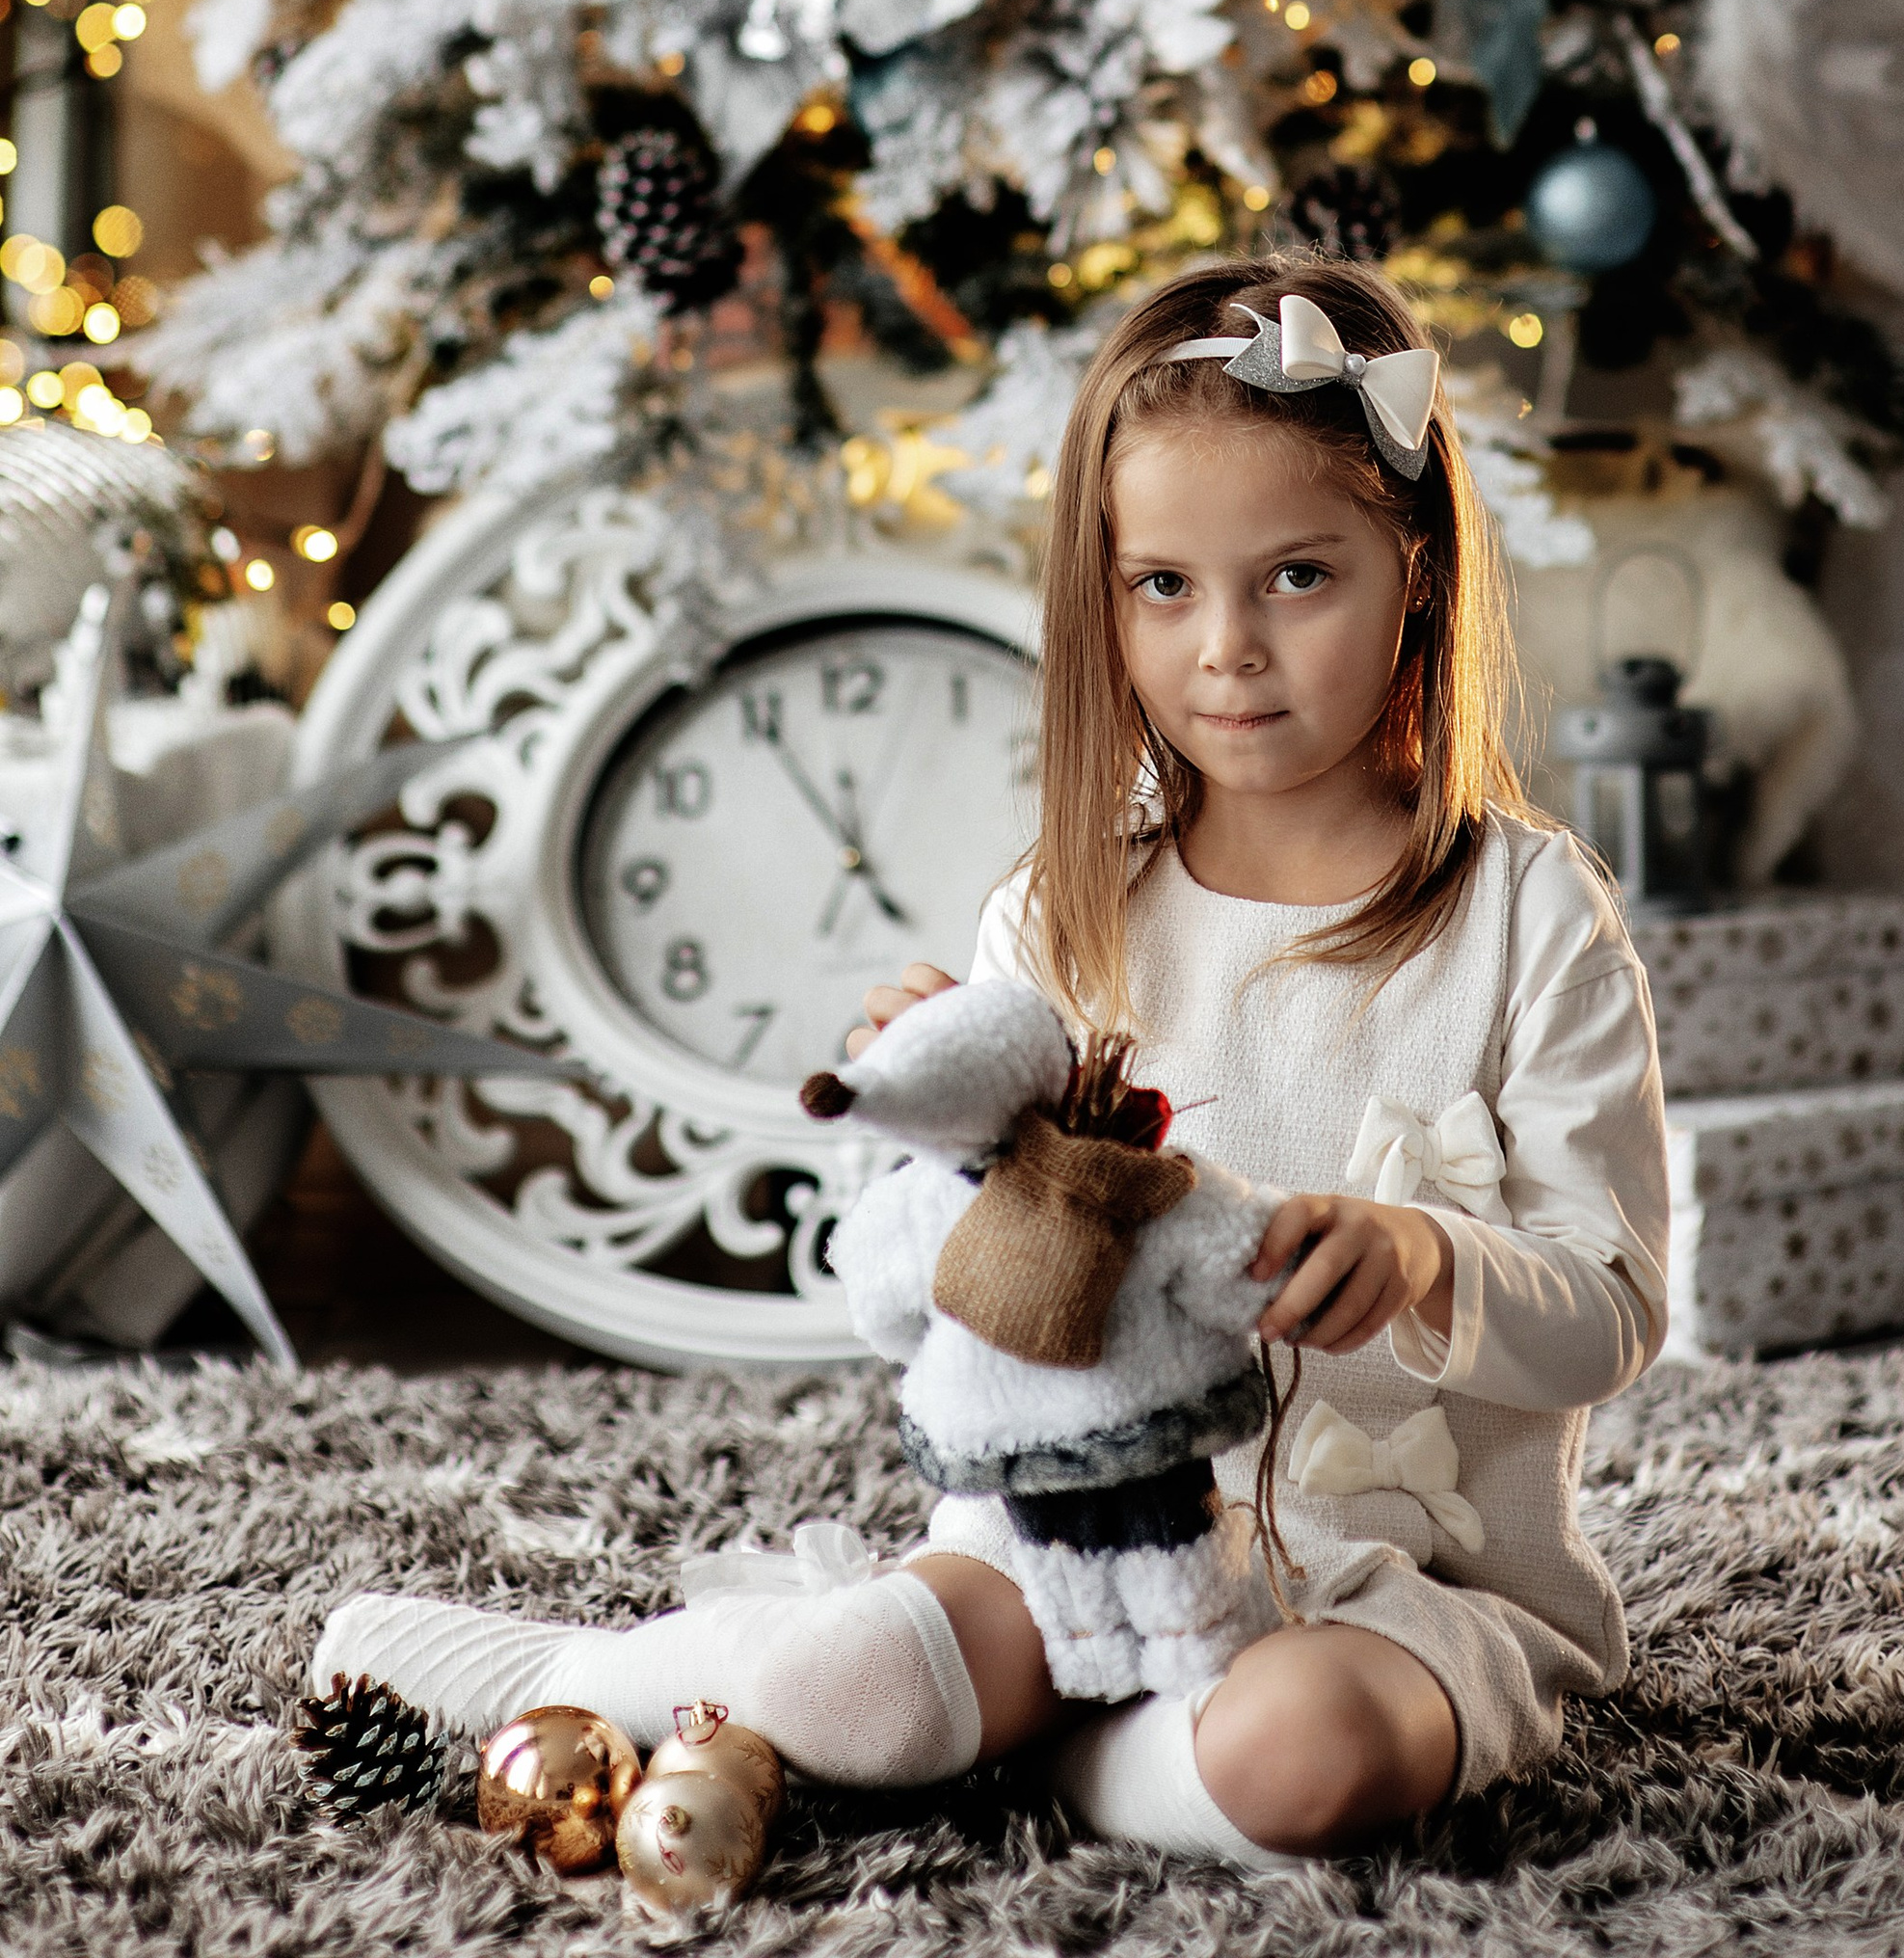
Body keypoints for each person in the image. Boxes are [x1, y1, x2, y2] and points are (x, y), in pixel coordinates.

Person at [315, 255, 1669, 1866]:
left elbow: (1614, 1310)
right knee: (861, 1675)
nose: (1226, 648)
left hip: (1413, 1585)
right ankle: (579, 1676)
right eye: (1163, 586)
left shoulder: (1527, 916)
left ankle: (1081, 1771)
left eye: (1298, 578)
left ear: (1417, 573)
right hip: (1082, 1528)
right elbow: (950, 1305)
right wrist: (938, 1124)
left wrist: (1429, 1253)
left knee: (1306, 1757)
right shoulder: (1069, 908)